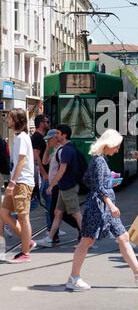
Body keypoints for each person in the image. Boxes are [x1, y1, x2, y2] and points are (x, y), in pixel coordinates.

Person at [66, 129, 138, 291]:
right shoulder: (100, 162)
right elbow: (99, 187)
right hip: (99, 208)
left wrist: (110, 179)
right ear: (108, 145)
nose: (117, 150)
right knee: (86, 241)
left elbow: (88, 179)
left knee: (123, 237)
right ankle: (74, 278)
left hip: (102, 207)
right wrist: (111, 204)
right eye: (116, 147)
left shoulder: (98, 159)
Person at [37, 125, 82, 247]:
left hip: (63, 185)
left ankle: (86, 236)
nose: (48, 140)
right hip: (61, 185)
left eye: (57, 133)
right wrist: (47, 147)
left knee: (74, 213)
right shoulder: (56, 151)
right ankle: (51, 237)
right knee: (57, 212)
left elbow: (62, 170)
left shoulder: (63, 150)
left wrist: (51, 185)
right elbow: (45, 162)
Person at [0, 109, 35, 263]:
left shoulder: (21, 137)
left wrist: (12, 183)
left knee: (23, 217)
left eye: (9, 118)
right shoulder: (18, 137)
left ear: (16, 121)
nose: (7, 120)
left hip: (22, 182)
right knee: (3, 213)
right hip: (17, 181)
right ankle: (28, 241)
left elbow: (21, 161)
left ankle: (25, 252)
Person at [31, 114, 51, 217]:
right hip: (41, 176)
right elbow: (36, 156)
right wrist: (44, 174)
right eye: (46, 122)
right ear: (40, 124)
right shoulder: (37, 137)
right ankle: (7, 220)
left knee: (49, 201)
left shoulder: (42, 137)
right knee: (34, 203)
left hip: (43, 175)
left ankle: (51, 229)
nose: (48, 123)